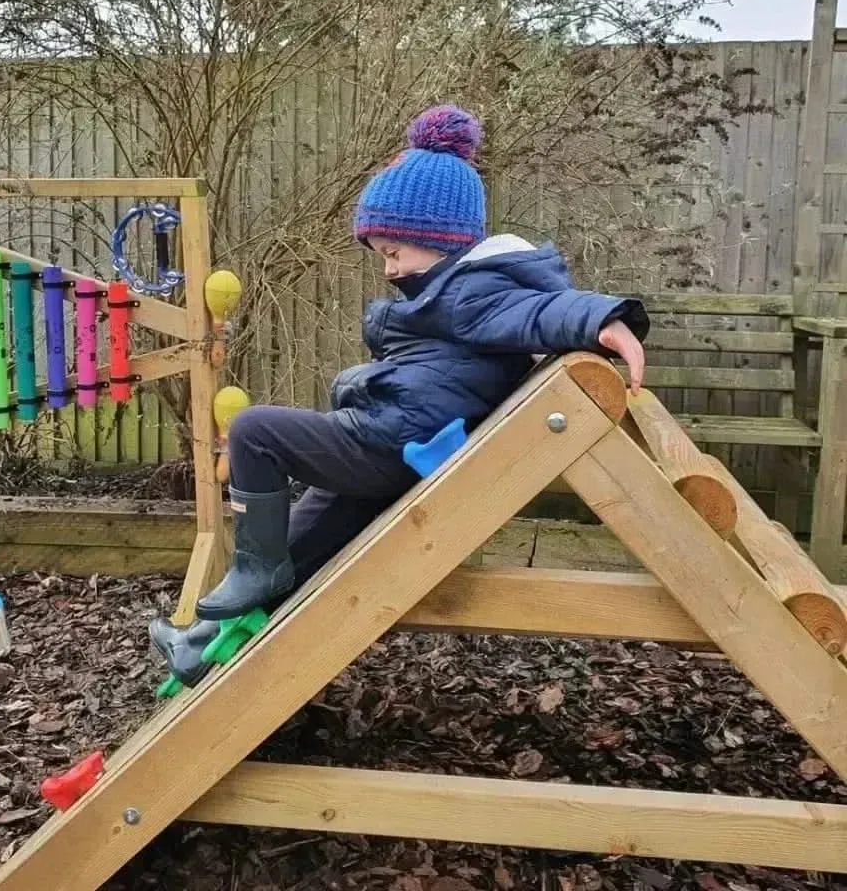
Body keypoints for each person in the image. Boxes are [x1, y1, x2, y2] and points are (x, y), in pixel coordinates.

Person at [149, 104, 648, 685]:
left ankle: (251, 577)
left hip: (390, 443)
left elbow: (540, 310)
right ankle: (199, 644)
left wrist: (604, 321)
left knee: (255, 431)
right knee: (297, 541)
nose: (387, 270)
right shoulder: (455, 290)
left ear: (438, 239)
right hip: (398, 446)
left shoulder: (471, 291)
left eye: (394, 253)